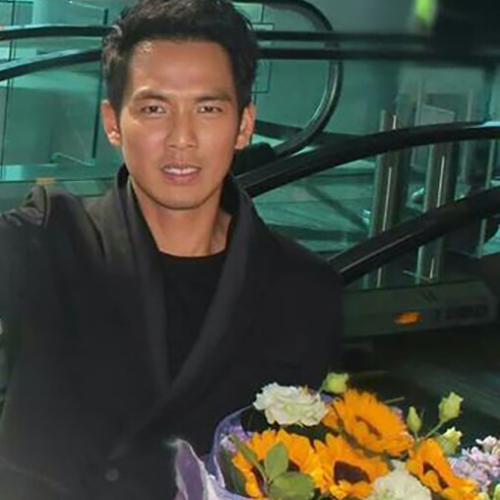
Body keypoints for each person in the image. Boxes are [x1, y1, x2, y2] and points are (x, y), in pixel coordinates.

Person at [0, 0, 343, 498]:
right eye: (154, 109)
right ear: (113, 123)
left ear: (244, 125)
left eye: (208, 109)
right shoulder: (51, 241)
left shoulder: (303, 289)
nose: (182, 139)